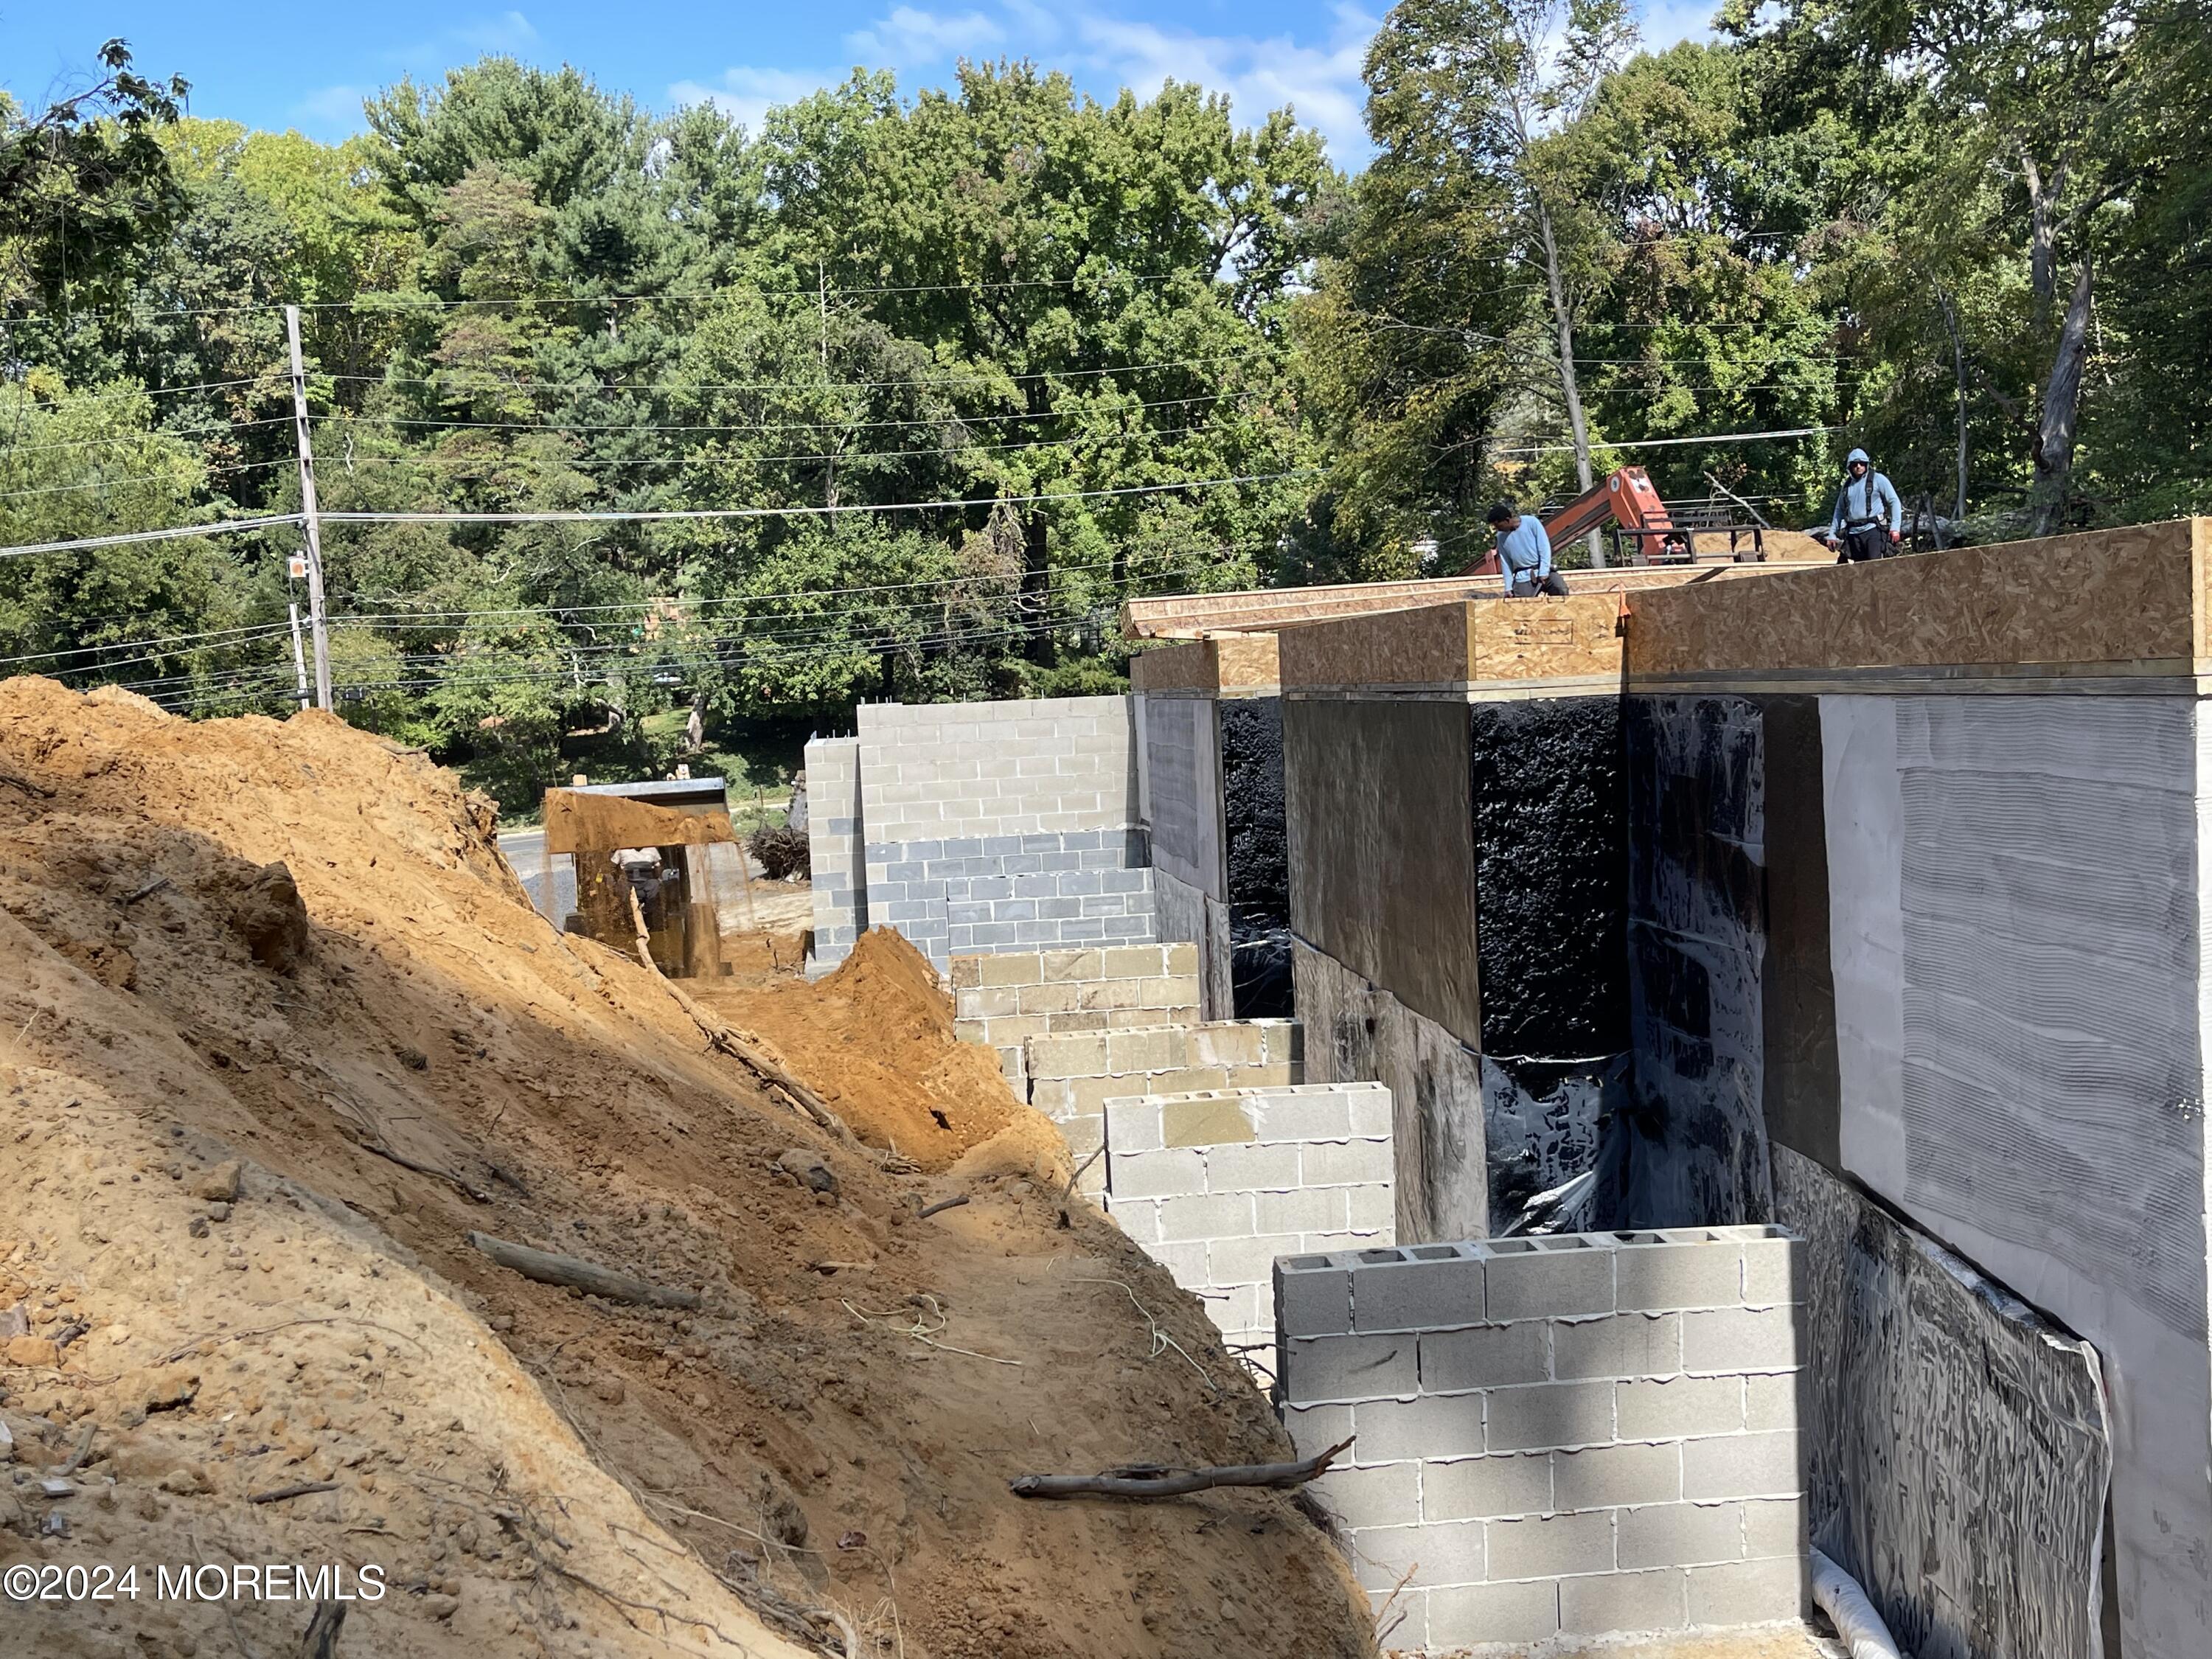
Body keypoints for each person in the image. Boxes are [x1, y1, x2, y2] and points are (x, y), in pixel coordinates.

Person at [1824, 448, 1903, 562]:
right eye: (1855, 464)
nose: (1858, 466)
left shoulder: (1878, 479)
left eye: (1862, 463)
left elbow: (1894, 501)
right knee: (1860, 569)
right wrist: (1832, 534)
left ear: (1866, 464)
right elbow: (1839, 510)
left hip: (1873, 531)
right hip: (1853, 534)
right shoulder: (1847, 486)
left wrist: (1895, 528)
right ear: (1850, 467)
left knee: (1875, 566)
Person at [1487, 501, 1570, 596]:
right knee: (1522, 602)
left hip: (1543, 569)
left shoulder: (1532, 522)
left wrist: (1544, 572)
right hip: (1523, 576)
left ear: (1507, 520)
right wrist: (1508, 587)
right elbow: (1506, 562)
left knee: (1561, 589)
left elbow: (1544, 548)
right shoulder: (1501, 537)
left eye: (1499, 526)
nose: (1498, 529)